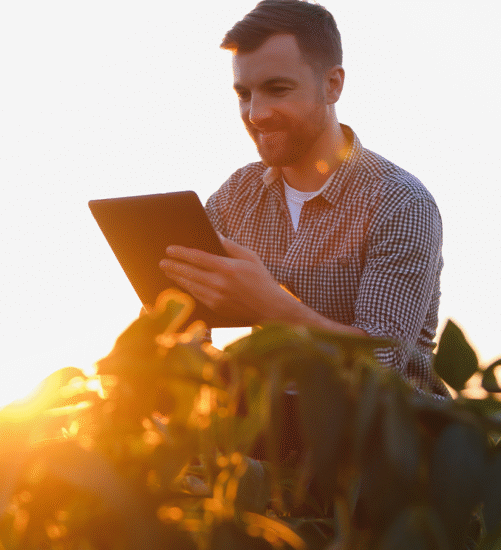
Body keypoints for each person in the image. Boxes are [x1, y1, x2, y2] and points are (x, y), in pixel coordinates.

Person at [159, 0, 448, 396]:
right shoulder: (234, 197)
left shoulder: (400, 201)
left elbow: (382, 366)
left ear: (332, 85)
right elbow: (184, 329)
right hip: (274, 435)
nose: (256, 113)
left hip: (385, 444)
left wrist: (271, 306)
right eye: (244, 94)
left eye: (277, 89)